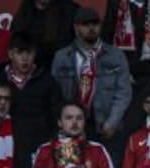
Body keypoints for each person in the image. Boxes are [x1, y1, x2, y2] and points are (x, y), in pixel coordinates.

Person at [50, 6, 133, 148]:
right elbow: (54, 93)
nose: (91, 28)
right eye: (85, 24)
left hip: (106, 124)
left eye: (94, 24)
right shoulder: (62, 57)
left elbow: (123, 92)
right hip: (72, 125)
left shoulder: (116, 55)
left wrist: (112, 122)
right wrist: (64, 122)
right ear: (75, 27)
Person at [0, 30, 62, 168]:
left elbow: (57, 116)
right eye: (19, 52)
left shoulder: (48, 81)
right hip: (4, 146)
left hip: (39, 146)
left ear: (35, 54)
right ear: (10, 54)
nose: (24, 58)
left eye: (29, 52)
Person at [9, 0, 77, 70]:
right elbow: (16, 41)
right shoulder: (25, 10)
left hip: (59, 67)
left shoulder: (69, 10)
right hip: (29, 68)